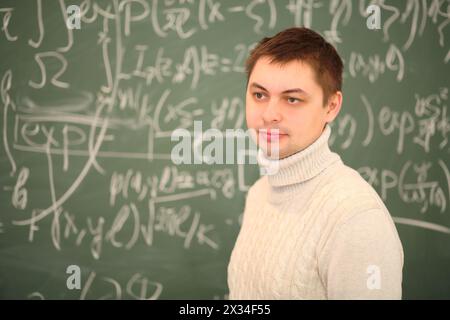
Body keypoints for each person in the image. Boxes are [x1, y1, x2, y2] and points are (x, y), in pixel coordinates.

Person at [227, 27, 404, 299]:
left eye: (292, 99)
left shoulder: (356, 218)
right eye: (259, 95)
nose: (270, 114)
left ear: (331, 106)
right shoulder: (260, 193)